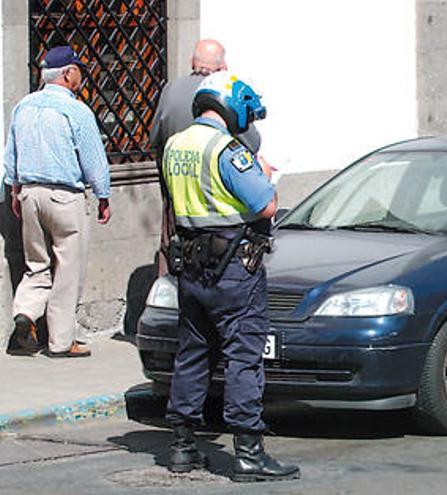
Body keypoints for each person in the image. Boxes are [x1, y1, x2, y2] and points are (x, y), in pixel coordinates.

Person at [161, 71, 299, 482]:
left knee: (193, 352)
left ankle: (183, 446)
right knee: (243, 355)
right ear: (233, 108)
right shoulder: (226, 149)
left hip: (191, 268)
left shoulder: (175, 145)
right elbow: (266, 204)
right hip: (234, 270)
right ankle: (248, 454)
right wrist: (260, 171)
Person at [3, 45, 111, 358]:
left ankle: (25, 313)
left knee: (37, 264)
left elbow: (11, 155)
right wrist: (103, 194)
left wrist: (14, 190)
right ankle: (61, 342)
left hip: (30, 194)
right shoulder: (76, 110)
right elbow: (93, 158)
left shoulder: (24, 106)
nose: (82, 75)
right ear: (67, 73)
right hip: (65, 196)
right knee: (68, 268)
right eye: (78, 70)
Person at [149, 39, 261, 275]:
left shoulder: (171, 90)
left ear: (192, 62)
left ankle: (166, 298)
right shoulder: (225, 93)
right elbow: (253, 142)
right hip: (215, 202)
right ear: (222, 67)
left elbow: (155, 137)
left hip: (177, 194)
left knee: (170, 247)